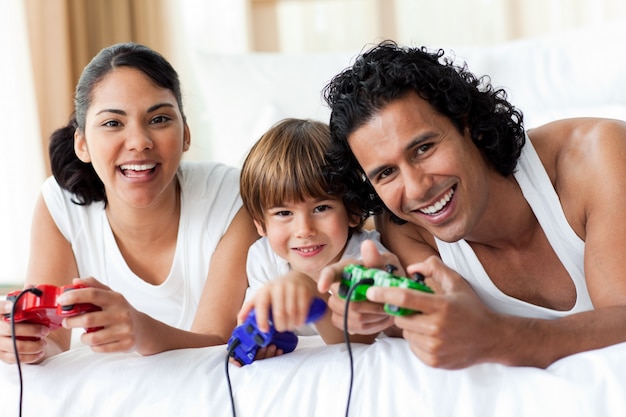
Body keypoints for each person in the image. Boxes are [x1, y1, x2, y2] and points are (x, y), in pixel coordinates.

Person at [317, 40, 626, 369]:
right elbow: (445, 318)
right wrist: (384, 307)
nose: (417, 189)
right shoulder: (406, 229)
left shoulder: (597, 156)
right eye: (387, 173)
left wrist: (503, 337)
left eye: (423, 148)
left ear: (464, 121)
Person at [0, 42, 259, 365]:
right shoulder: (60, 206)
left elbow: (216, 342)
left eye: (159, 119)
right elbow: (51, 343)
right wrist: (25, 344)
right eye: (112, 123)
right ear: (82, 144)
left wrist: (139, 330)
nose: (139, 142)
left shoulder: (231, 197)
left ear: (186, 134)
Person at [236, 118, 387, 361]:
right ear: (260, 224)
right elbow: (260, 325)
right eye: (284, 213)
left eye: (321, 208)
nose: (304, 230)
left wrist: (314, 296)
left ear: (352, 210)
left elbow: (359, 342)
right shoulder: (263, 258)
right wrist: (263, 343)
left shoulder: (367, 255)